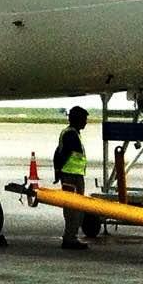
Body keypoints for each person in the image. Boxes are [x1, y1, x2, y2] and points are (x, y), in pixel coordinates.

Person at [52, 105, 90, 250]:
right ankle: (70, 238)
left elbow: (58, 152)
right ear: (78, 120)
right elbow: (63, 154)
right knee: (73, 208)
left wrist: (57, 172)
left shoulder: (71, 132)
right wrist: (59, 171)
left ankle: (71, 237)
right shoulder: (71, 135)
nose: (86, 122)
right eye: (84, 119)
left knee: (74, 208)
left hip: (72, 175)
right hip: (71, 176)